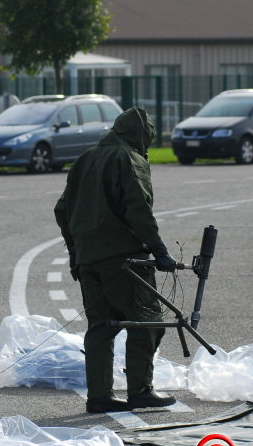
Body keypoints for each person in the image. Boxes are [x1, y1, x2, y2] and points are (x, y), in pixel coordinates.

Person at [54, 107, 178, 414]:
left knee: (101, 326)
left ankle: (99, 395)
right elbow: (138, 208)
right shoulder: (129, 158)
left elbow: (62, 210)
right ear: (140, 135)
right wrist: (158, 249)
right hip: (124, 260)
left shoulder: (85, 159)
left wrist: (74, 253)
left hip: (88, 260)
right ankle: (140, 390)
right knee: (146, 321)